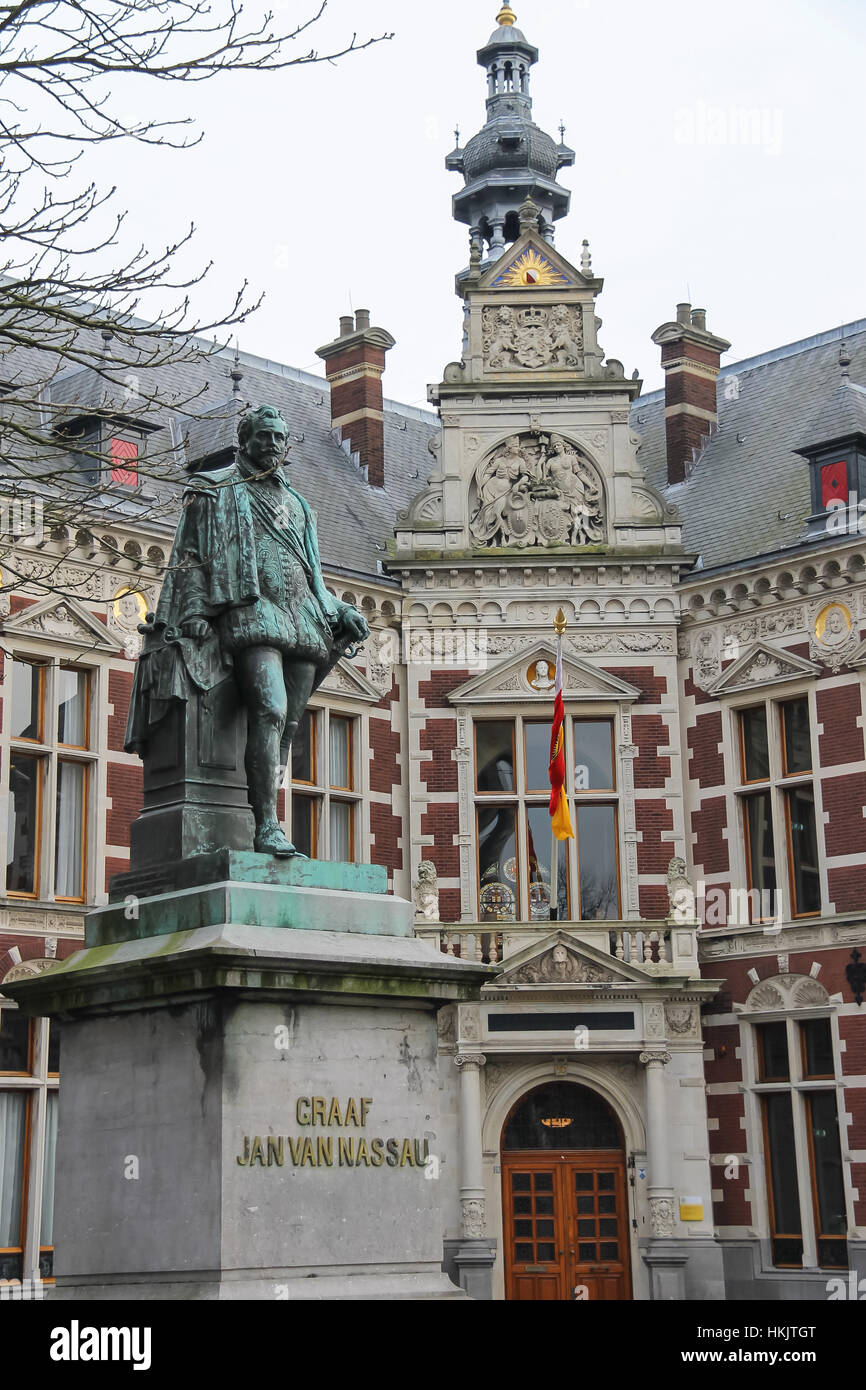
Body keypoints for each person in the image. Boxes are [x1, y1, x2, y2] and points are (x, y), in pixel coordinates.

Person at [125, 404, 368, 856]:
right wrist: (194, 610)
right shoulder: (217, 489)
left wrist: (342, 609)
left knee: (289, 726)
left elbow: (314, 576)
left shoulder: (299, 506)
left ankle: (267, 811)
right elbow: (191, 554)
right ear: (245, 441)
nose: (272, 445)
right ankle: (266, 824)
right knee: (271, 710)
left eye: (279, 437)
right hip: (253, 611)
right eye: (264, 437)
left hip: (303, 615)